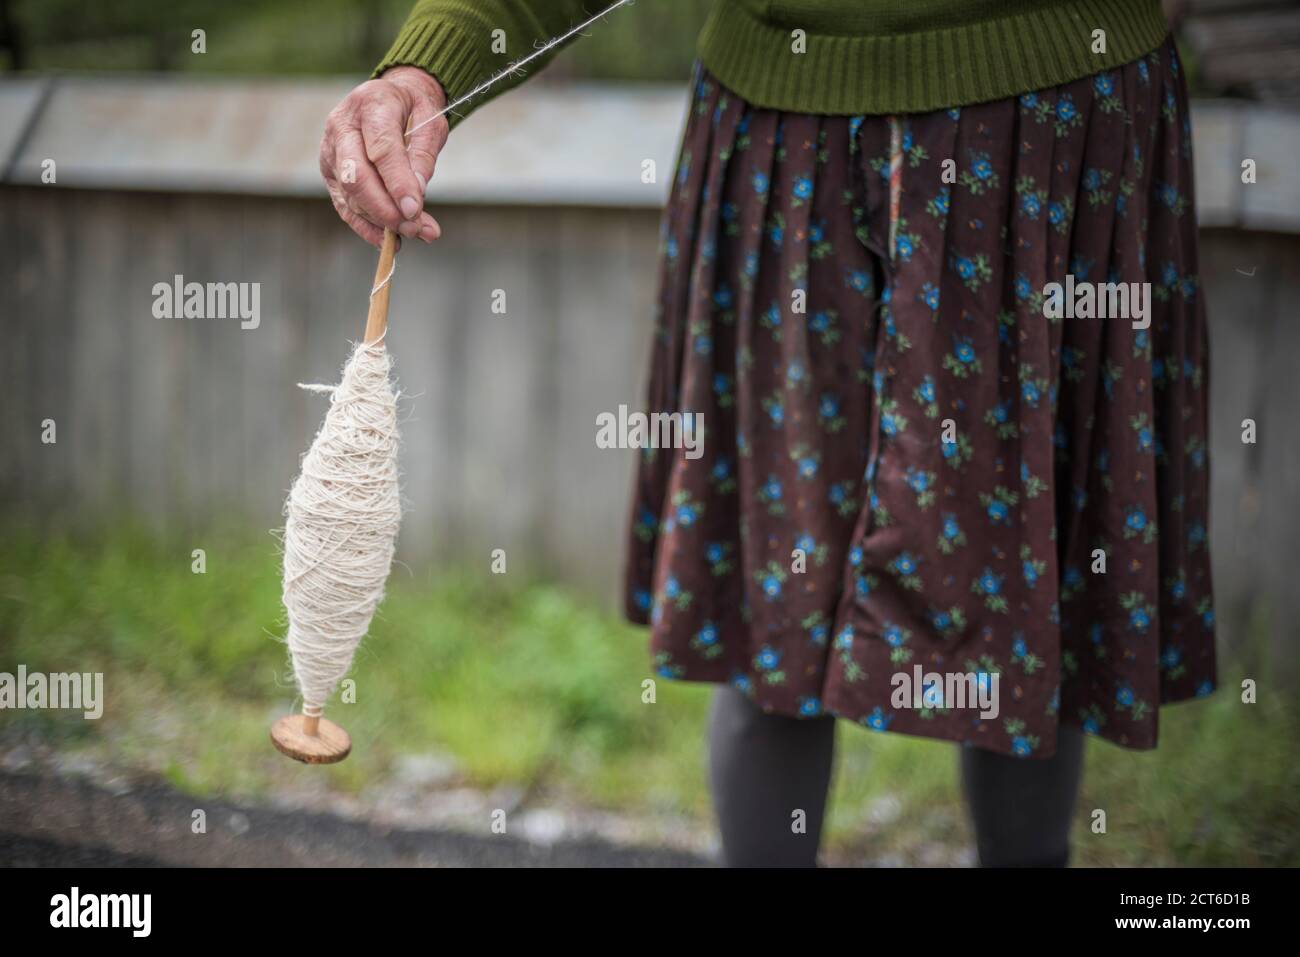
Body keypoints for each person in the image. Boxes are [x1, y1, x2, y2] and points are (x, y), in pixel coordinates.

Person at [319, 0, 1216, 867]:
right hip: (784, 138)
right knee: (771, 606)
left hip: (1047, 134)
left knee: (1031, 589)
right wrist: (426, 69)